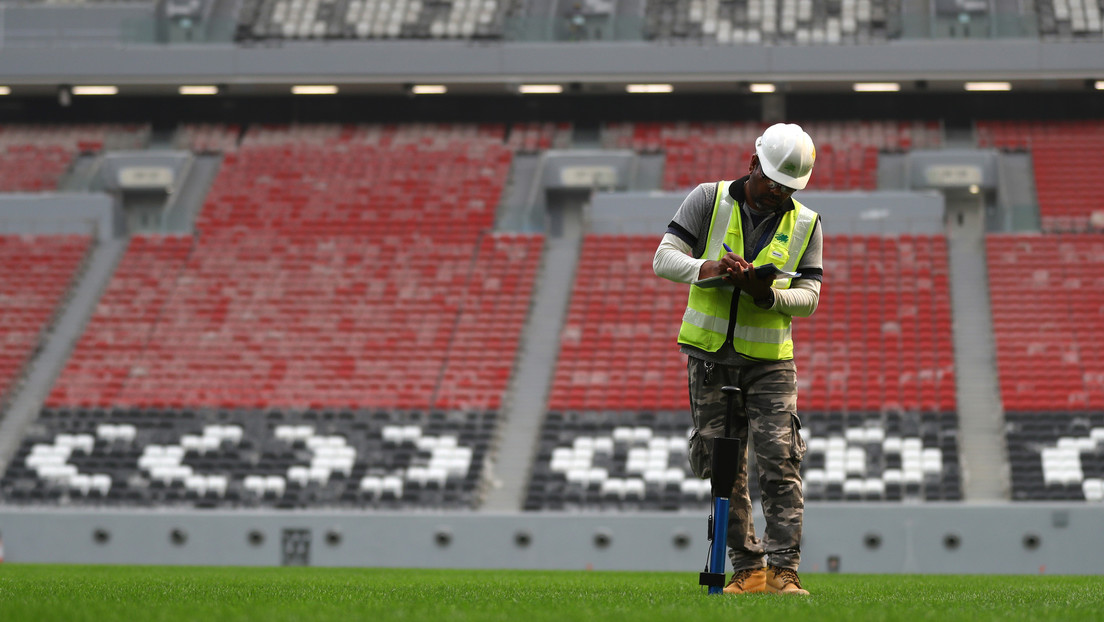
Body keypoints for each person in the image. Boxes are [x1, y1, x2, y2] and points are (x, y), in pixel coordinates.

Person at [652, 123, 822, 596]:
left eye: (789, 187)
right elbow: (663, 259)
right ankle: (748, 570)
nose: (780, 194)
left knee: (780, 461)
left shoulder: (806, 222)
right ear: (752, 166)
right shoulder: (707, 199)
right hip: (708, 357)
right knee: (721, 466)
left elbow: (809, 297)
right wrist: (707, 269)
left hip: (770, 362)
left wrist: (765, 296)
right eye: (773, 183)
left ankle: (784, 571)